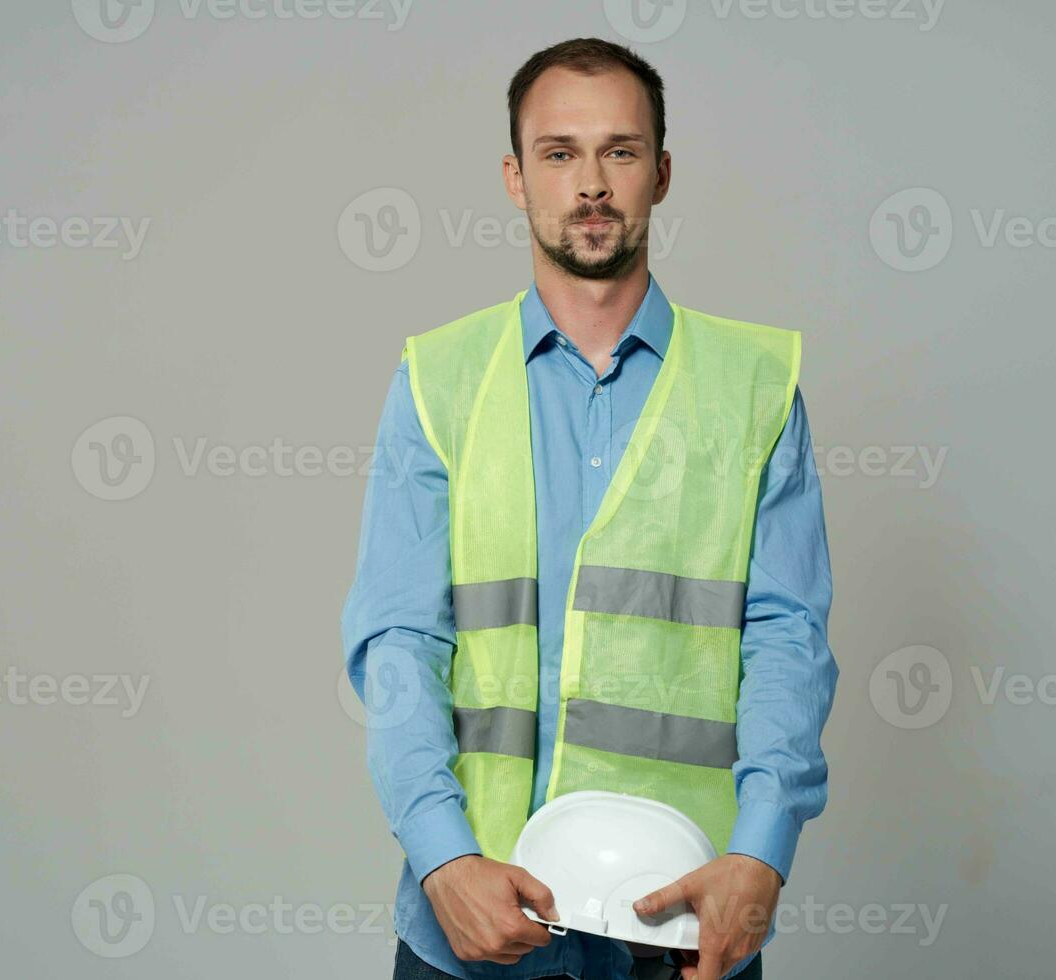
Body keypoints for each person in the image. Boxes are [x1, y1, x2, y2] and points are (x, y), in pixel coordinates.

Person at [341, 37, 838, 980]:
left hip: (689, 916)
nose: (592, 183)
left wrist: (764, 852)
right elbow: (397, 640)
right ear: (515, 177)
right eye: (559, 153)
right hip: (476, 922)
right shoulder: (438, 379)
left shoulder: (755, 385)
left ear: (661, 171)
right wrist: (442, 857)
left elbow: (788, 637)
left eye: (619, 150)